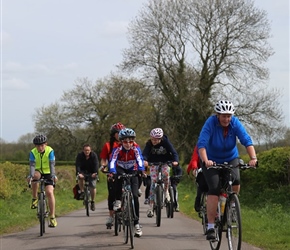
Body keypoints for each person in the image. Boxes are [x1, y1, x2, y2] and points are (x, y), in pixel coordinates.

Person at [197, 100, 258, 240]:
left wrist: (253, 158)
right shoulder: (210, 123)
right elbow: (202, 143)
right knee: (214, 188)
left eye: (229, 116)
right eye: (224, 116)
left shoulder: (234, 123)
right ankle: (211, 226)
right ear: (218, 115)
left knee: (236, 180)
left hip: (231, 157)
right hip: (211, 159)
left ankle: (231, 207)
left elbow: (246, 140)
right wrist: (206, 161)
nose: (227, 119)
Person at [109, 128, 145, 237]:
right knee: (117, 179)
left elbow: (140, 159)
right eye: (125, 141)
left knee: (134, 196)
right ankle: (118, 200)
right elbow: (112, 161)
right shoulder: (117, 149)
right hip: (120, 169)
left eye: (130, 141)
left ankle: (137, 224)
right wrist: (113, 171)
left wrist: (141, 169)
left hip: (132, 169)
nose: (128, 144)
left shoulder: (136, 149)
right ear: (121, 141)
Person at [142, 128, 179, 218]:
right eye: (152, 139)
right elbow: (145, 154)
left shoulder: (166, 143)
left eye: (156, 139)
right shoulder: (149, 144)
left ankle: (166, 191)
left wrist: (175, 161)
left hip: (165, 162)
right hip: (153, 164)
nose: (154, 141)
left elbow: (174, 152)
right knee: (153, 183)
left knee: (166, 176)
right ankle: (151, 207)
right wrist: (145, 160)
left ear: (160, 139)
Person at [27, 134, 58, 227]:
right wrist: (31, 176)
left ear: (46, 144)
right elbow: (32, 165)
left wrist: (53, 176)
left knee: (49, 192)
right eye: (37, 146)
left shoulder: (50, 151)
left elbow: (52, 164)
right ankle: (35, 198)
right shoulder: (33, 152)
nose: (40, 148)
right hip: (38, 171)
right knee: (34, 177)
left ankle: (52, 216)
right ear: (35, 146)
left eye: (42, 145)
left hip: (48, 172)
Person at [99, 122, 125, 228]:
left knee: (125, 190)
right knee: (112, 193)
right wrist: (103, 166)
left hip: (124, 170)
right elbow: (104, 158)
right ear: (113, 134)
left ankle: (124, 210)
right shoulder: (108, 145)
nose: (119, 135)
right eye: (117, 133)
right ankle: (110, 216)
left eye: (121, 133)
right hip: (112, 171)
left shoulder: (126, 144)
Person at [75, 144, 99, 211]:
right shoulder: (80, 156)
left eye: (88, 150)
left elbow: (96, 164)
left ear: (90, 150)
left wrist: (95, 172)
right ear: (83, 150)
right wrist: (79, 173)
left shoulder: (94, 155)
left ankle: (93, 201)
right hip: (83, 171)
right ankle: (82, 191)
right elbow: (78, 165)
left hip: (92, 172)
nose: (87, 152)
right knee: (80, 178)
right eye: (85, 150)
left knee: (93, 186)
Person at [187, 145, 208, 212]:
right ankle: (198, 202)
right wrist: (195, 168)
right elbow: (195, 159)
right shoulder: (200, 145)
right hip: (202, 169)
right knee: (201, 185)